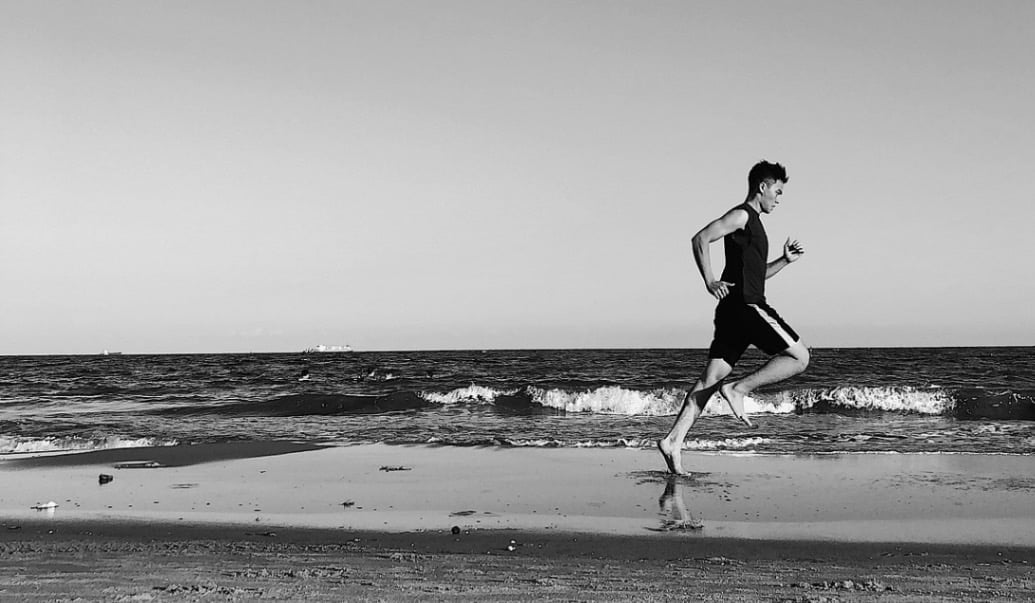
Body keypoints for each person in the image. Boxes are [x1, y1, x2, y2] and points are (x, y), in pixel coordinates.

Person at [658, 160, 810, 475]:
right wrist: (709, 279)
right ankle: (740, 390)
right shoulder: (742, 215)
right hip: (746, 306)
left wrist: (784, 260)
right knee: (800, 356)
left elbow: (756, 275)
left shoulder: (755, 225)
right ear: (762, 187)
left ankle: (673, 440)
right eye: (777, 192)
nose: (778, 199)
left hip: (735, 307)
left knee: (710, 380)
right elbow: (700, 238)